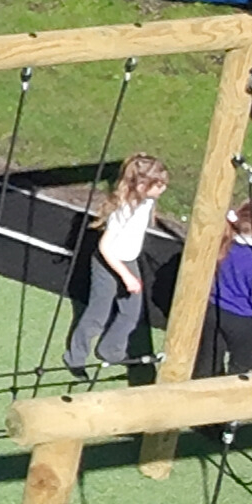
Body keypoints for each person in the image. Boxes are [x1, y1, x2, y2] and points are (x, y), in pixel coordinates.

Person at [66, 152, 170, 375]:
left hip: (127, 260)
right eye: (159, 185)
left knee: (131, 312)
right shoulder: (123, 210)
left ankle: (110, 350)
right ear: (142, 185)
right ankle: (75, 357)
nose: (163, 189)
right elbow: (105, 248)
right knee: (97, 314)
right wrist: (126, 276)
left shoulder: (147, 201)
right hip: (108, 263)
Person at [202, 198, 252, 377]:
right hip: (241, 319)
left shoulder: (221, 245)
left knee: (209, 355)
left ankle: (202, 385)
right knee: (241, 361)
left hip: (212, 310)